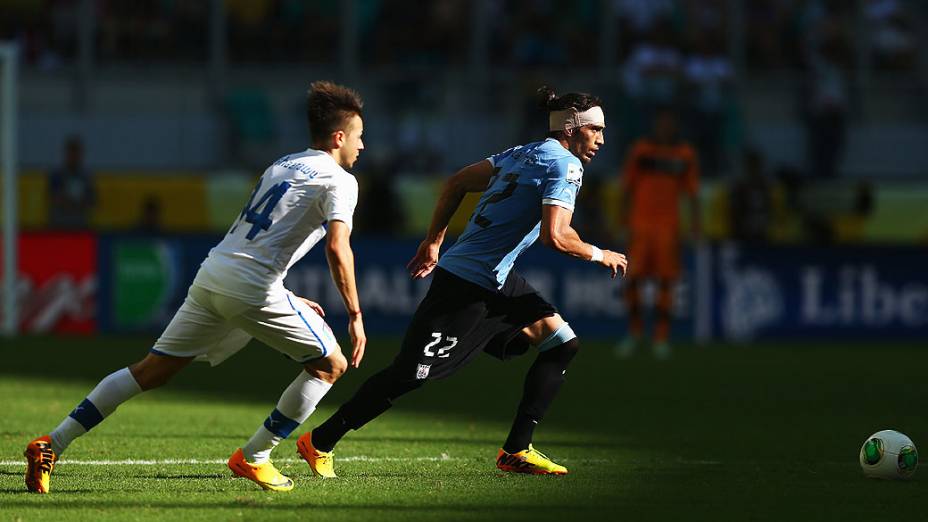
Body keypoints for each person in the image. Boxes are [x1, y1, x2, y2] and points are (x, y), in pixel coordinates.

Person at [24, 81, 368, 494]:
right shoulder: (341, 181)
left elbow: (255, 241)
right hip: (251, 286)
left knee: (150, 370)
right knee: (331, 365)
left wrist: (288, 296)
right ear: (339, 137)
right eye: (360, 136)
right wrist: (354, 314)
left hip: (214, 273)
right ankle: (255, 456)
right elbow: (337, 246)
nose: (362, 147)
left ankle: (52, 443)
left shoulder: (283, 164)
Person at [296, 86, 627, 478]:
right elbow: (555, 235)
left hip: (495, 277)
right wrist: (598, 253)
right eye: (596, 130)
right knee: (408, 375)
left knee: (562, 342)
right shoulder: (566, 166)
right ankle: (319, 441)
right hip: (468, 284)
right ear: (572, 129)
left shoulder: (521, 153)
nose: (602, 140)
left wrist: (434, 239)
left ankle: (517, 450)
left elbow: (456, 182)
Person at [615, 108, 699, 360]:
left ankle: (661, 337)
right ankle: (635, 333)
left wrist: (695, 227)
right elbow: (626, 188)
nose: (664, 127)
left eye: (669, 123)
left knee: (665, 281)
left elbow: (692, 194)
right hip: (640, 227)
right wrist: (622, 222)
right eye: (661, 122)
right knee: (633, 280)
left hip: (668, 228)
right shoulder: (641, 150)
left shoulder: (684, 154)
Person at [47, 135, 96, 230]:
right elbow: (54, 199)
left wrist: (74, 202)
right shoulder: (56, 176)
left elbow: (92, 201)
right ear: (66, 154)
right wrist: (74, 202)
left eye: (76, 153)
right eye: (71, 153)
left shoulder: (86, 177)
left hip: (80, 225)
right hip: (60, 226)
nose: (74, 156)